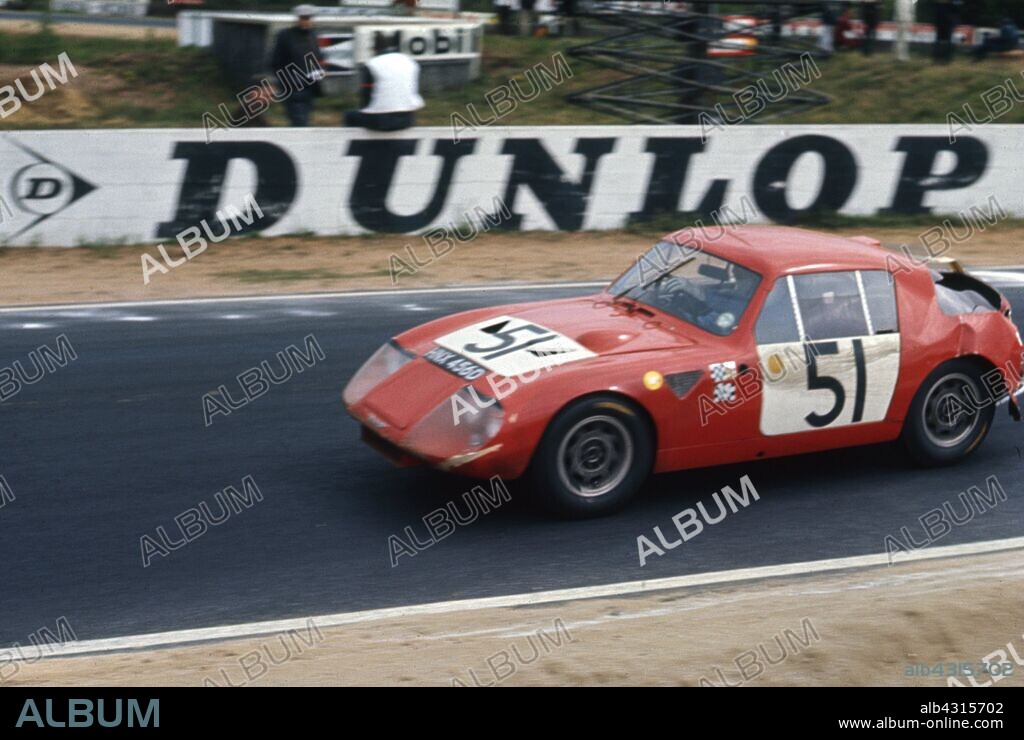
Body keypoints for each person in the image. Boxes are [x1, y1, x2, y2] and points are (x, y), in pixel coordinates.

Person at [344, 32, 424, 131]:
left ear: (375, 48)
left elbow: (366, 97)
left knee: (350, 116)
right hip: (407, 118)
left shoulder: (372, 64)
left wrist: (364, 109)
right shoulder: (410, 62)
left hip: (380, 120)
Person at [271, 5, 325, 127]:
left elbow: (319, 58)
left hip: (310, 87)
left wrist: (320, 71)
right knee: (299, 123)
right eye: (304, 18)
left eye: (309, 18)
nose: (306, 21)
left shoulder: (313, 36)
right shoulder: (285, 36)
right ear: (298, 19)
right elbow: (276, 62)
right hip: (293, 88)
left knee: (303, 121)